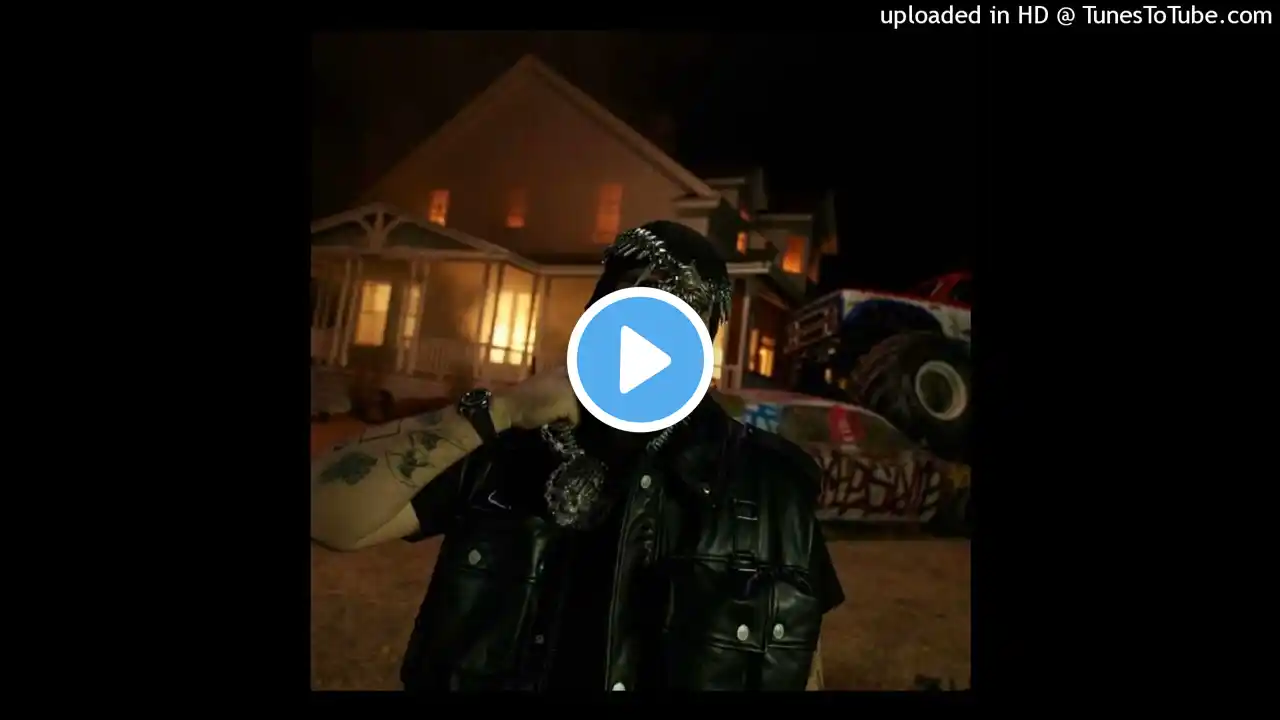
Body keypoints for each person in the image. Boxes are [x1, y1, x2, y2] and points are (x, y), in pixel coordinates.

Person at [310, 221, 845, 691]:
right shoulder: (509, 449)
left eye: (674, 319)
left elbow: (799, 663)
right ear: (594, 316)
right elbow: (327, 515)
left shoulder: (770, 483)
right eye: (627, 308)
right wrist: (502, 411)